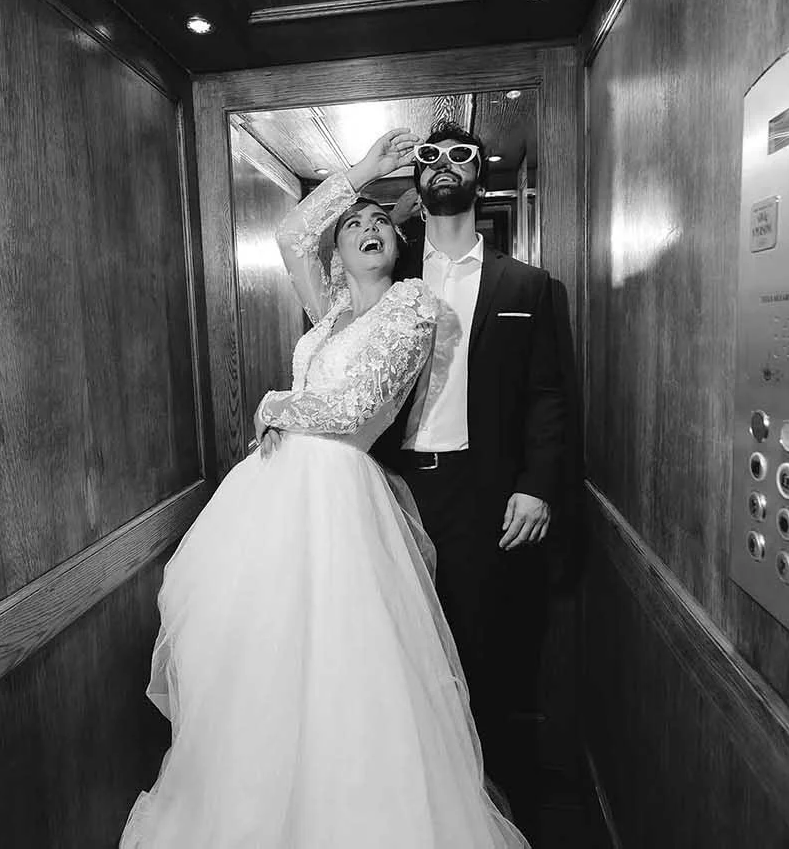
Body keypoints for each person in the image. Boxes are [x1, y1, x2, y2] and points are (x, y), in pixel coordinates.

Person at [119, 129, 528, 849]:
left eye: (381, 224)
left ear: (398, 246)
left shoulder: (414, 306)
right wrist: (362, 171)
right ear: (337, 252)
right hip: (273, 501)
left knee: (345, 662)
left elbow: (357, 410)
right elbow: (290, 233)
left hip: (341, 497)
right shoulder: (327, 313)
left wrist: (276, 406)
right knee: (264, 656)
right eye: (354, 224)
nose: (369, 228)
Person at [376, 120, 569, 840]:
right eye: (431, 157)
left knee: (482, 650)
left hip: (485, 493)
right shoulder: (388, 279)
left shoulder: (529, 285)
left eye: (460, 156)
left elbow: (549, 394)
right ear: (418, 180)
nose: (444, 165)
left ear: (478, 176)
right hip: (392, 488)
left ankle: (484, 812)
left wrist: (538, 483)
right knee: (399, 647)